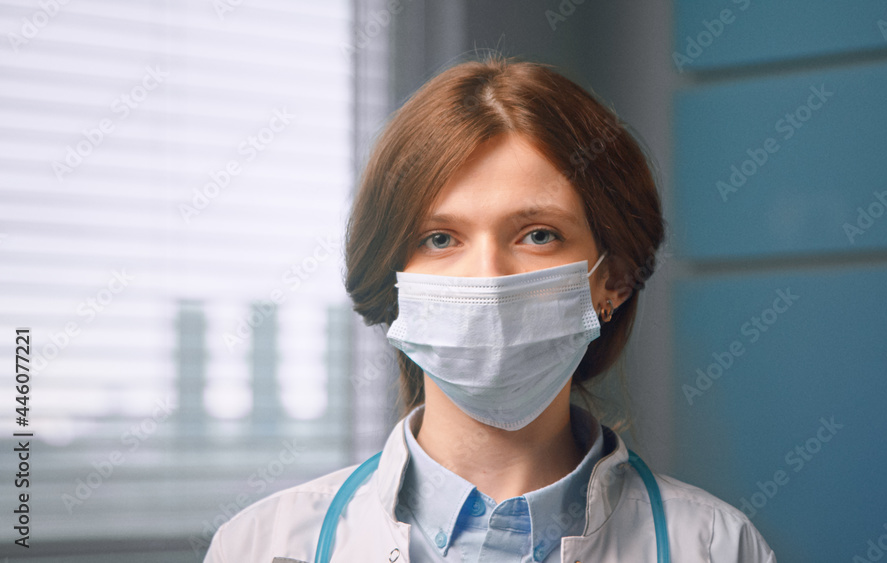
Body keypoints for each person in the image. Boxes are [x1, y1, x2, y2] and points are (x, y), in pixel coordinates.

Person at [204, 56, 776, 563]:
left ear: (615, 280)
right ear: (392, 279)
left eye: (538, 235)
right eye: (439, 238)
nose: (488, 279)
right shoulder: (262, 547)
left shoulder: (718, 548)